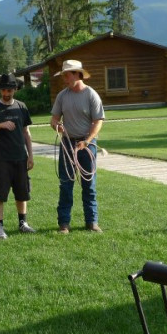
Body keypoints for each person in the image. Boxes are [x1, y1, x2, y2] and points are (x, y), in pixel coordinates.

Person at [50, 59, 105, 234]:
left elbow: (98, 122)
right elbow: (54, 119)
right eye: (64, 75)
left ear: (77, 74)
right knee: (66, 184)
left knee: (89, 184)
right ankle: (64, 224)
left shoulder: (91, 95)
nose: (64, 78)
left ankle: (92, 222)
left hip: (87, 145)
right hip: (67, 143)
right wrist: (57, 126)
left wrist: (87, 141)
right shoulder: (62, 96)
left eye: (67, 74)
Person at [0, 73, 36, 239]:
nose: (6, 93)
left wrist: (30, 155)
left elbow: (26, 132)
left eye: (9, 90)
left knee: (22, 192)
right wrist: (0, 125)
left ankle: (23, 223)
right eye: (3, 90)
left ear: (15, 90)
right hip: (1, 158)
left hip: (20, 157)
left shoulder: (21, 107)